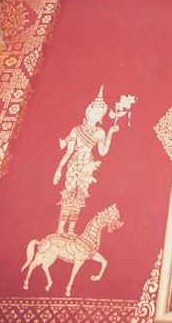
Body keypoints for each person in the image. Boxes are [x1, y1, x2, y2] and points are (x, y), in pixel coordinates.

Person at [53, 86, 123, 236]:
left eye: (99, 113)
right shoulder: (76, 130)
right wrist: (59, 169)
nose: (95, 114)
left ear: (101, 116)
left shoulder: (100, 132)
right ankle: (60, 228)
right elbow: (68, 151)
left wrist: (110, 133)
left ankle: (71, 230)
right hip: (74, 163)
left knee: (80, 197)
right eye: (93, 111)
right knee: (68, 195)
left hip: (88, 166)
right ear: (88, 111)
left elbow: (103, 152)